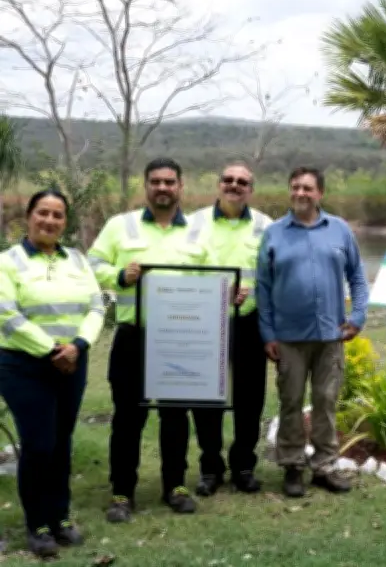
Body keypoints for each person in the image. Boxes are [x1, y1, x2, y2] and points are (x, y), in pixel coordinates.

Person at [87, 158, 217, 523]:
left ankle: (174, 485)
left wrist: (229, 293)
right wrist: (118, 275)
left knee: (175, 416)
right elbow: (91, 266)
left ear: (181, 187)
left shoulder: (198, 232)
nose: (163, 188)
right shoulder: (119, 226)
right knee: (128, 418)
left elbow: (216, 277)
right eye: (156, 182)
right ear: (146, 186)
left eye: (170, 182)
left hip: (180, 338)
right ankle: (121, 492)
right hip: (134, 337)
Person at [0, 190, 105, 558]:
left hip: (73, 362)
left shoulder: (76, 259)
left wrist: (77, 345)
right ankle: (38, 524)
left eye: (58, 215)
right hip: (24, 365)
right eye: (43, 213)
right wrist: (51, 349)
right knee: (39, 444)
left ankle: (60, 518)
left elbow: (96, 306)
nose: (49, 221)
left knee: (62, 443)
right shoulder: (8, 262)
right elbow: (6, 315)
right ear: (28, 217)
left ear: (65, 222)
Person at [256, 166, 369, 498]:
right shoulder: (275, 233)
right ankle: (292, 466)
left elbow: (358, 279)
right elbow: (263, 287)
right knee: (290, 402)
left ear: (320, 193)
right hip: (288, 338)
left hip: (330, 336)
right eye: (295, 187)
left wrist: (358, 316)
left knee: (325, 401)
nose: (300, 193)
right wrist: (267, 334)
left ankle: (324, 467)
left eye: (307, 188)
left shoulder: (339, 231)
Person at [189, 161, 272, 496]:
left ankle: (244, 465)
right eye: (228, 180)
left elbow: (272, 274)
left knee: (250, 398)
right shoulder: (193, 223)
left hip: (249, 323)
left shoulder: (267, 225)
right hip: (207, 321)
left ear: (250, 189)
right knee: (206, 396)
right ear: (218, 184)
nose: (234, 185)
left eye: (242, 181)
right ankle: (210, 467)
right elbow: (183, 267)